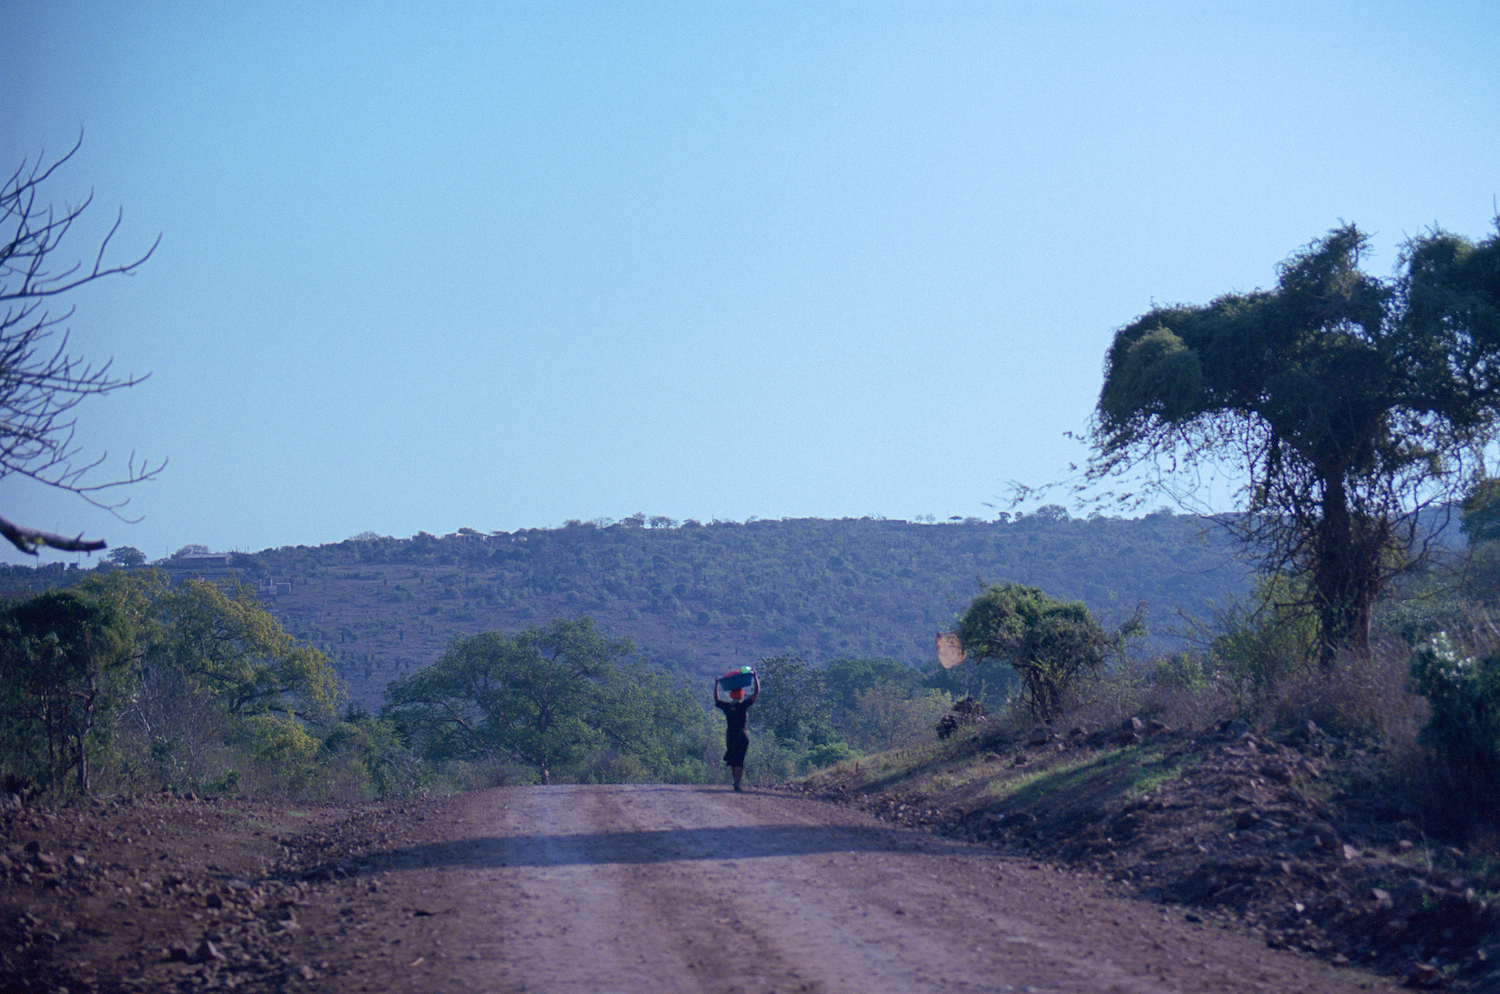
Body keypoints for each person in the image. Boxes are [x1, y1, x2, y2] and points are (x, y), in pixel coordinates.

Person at [713, 670, 759, 791]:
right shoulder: (743, 706)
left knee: (733, 760)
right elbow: (756, 694)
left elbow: (716, 700)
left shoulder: (727, 707)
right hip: (742, 735)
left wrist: (716, 684)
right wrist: (755, 678)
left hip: (731, 736)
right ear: (742, 695)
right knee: (739, 760)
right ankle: (736, 783)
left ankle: (736, 782)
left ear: (731, 696)